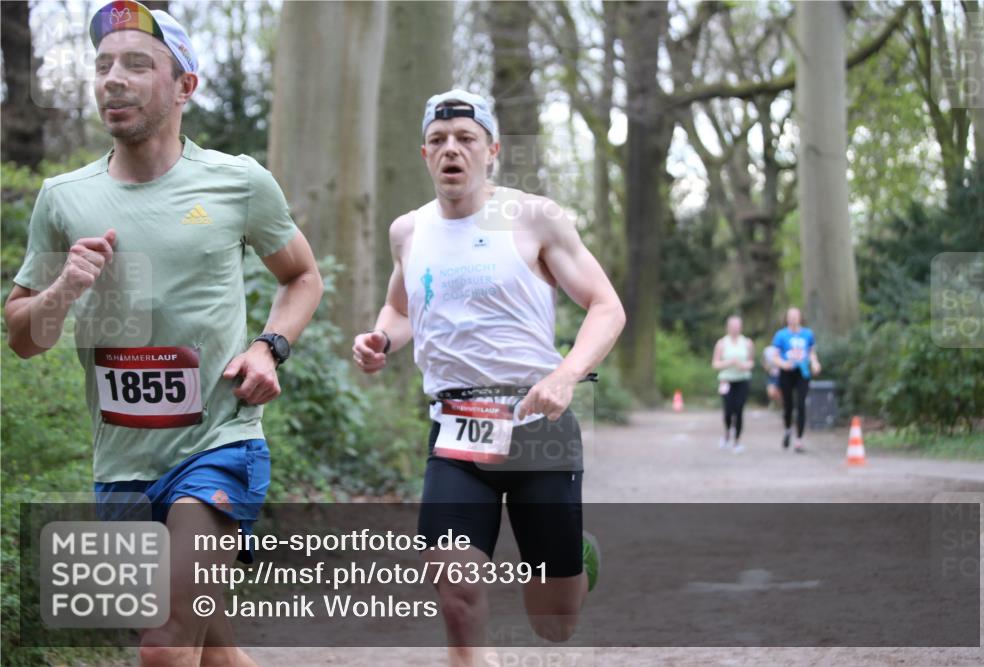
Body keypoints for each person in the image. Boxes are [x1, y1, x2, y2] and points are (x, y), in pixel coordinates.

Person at [4, 2, 322, 665]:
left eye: (137, 64)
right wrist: (65, 288)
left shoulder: (236, 183)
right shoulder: (63, 198)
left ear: (185, 87)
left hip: (218, 445)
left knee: (163, 644)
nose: (113, 79)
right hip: (120, 465)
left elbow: (303, 277)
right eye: (103, 65)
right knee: (212, 651)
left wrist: (270, 347)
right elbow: (23, 336)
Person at [352, 89, 625, 665]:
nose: (452, 150)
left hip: (537, 428)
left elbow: (606, 306)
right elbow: (400, 310)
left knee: (555, 623)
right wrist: (380, 340)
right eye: (439, 141)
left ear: (491, 150)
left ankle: (577, 557)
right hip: (455, 432)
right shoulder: (409, 231)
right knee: (456, 592)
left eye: (466, 139)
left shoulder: (533, 217)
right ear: (425, 154)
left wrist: (567, 374)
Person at [771, 307, 822, 453]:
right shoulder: (781, 335)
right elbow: (775, 356)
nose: (793, 319)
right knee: (788, 405)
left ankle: (799, 440)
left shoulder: (807, 334)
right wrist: (783, 364)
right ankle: (788, 429)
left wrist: (815, 363)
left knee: (801, 404)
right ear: (786, 318)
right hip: (786, 373)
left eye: (796, 316)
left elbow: (812, 353)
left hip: (802, 373)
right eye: (790, 316)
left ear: (800, 318)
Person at [711, 316, 754, 453]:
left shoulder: (747, 343)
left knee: (739, 409)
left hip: (742, 380)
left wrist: (743, 365)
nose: (735, 328)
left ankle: (737, 441)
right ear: (728, 327)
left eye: (737, 326)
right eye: (732, 326)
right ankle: (727, 432)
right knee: (728, 409)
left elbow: (751, 362)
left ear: (740, 327)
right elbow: (715, 364)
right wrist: (728, 363)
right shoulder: (722, 343)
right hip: (726, 380)